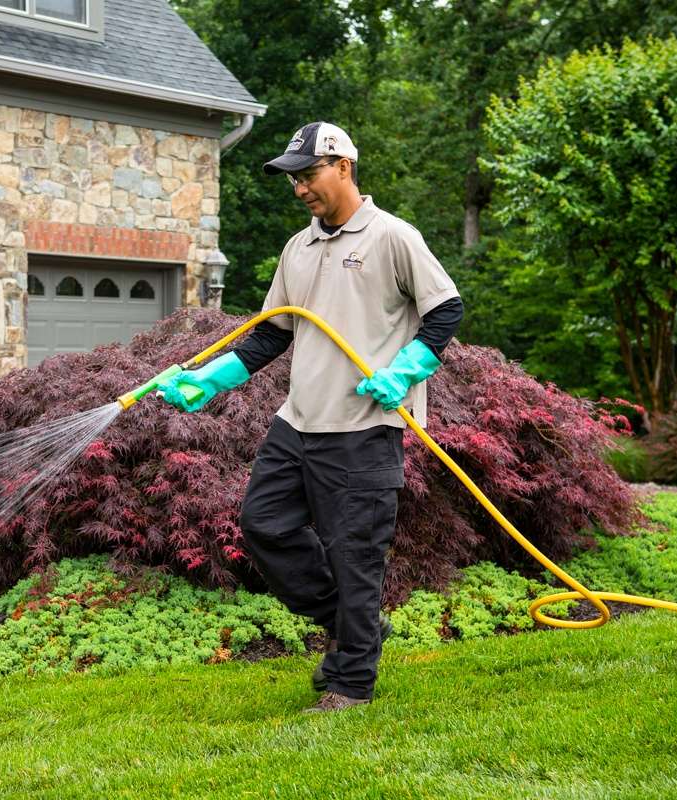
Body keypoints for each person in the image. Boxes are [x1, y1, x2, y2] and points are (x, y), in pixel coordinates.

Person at [159, 122, 463, 713]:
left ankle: (350, 682)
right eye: (294, 179)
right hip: (297, 423)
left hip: (364, 427)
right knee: (263, 525)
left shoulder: (392, 237)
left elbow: (445, 310)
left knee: (355, 555)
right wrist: (210, 380)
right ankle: (355, 628)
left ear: (344, 166)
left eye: (309, 174)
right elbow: (271, 334)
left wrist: (403, 373)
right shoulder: (298, 248)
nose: (300, 188)